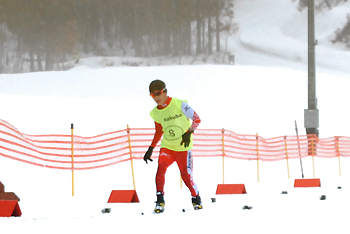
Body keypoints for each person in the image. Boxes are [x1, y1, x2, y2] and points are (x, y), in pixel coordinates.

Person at [143, 79, 202, 213]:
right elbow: (159, 131)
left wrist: (189, 132)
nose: (155, 98)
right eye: (152, 95)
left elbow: (197, 119)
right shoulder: (155, 112)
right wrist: (151, 148)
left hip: (183, 147)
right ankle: (160, 200)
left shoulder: (180, 104)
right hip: (168, 146)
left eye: (158, 94)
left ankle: (196, 196)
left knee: (186, 177)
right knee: (161, 169)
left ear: (165, 91)